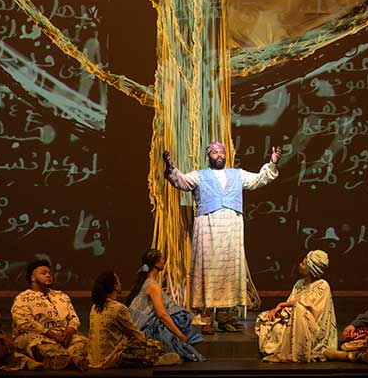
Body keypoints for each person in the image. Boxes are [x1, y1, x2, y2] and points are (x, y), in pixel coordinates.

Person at [163, 141, 282, 333]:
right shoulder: (199, 175)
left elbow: (258, 179)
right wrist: (170, 167)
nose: (219, 155)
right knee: (208, 271)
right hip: (208, 229)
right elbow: (181, 181)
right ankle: (205, 319)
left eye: (222, 152)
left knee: (229, 272)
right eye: (215, 152)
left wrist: (272, 162)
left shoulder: (237, 174)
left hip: (231, 230)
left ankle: (225, 317)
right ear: (208, 156)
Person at [255, 250, 337, 362]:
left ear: (311, 269)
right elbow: (291, 301)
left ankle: (298, 351)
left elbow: (306, 303)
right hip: (293, 316)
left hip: (309, 324)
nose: (300, 265)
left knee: (300, 309)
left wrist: (282, 304)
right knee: (267, 318)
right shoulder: (299, 283)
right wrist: (278, 310)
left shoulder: (322, 285)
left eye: (303, 264)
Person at [126, 248, 205, 361]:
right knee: (179, 318)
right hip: (145, 328)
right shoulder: (153, 286)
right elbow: (161, 314)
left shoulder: (144, 283)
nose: (164, 261)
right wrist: (179, 334)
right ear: (156, 263)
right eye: (162, 259)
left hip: (140, 326)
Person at [88, 271, 178, 368]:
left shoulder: (94, 307)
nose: (120, 283)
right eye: (118, 281)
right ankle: (153, 360)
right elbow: (134, 334)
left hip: (93, 360)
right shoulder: (118, 308)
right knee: (155, 345)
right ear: (116, 287)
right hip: (110, 360)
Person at [11, 258, 88, 370]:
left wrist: (70, 331)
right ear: (33, 278)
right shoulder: (22, 298)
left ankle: (67, 359)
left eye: (49, 273)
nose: (48, 275)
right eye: (43, 273)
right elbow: (24, 322)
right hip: (40, 337)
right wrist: (53, 335)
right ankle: (68, 359)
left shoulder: (61, 296)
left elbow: (74, 317)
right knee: (37, 344)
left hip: (63, 337)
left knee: (83, 341)